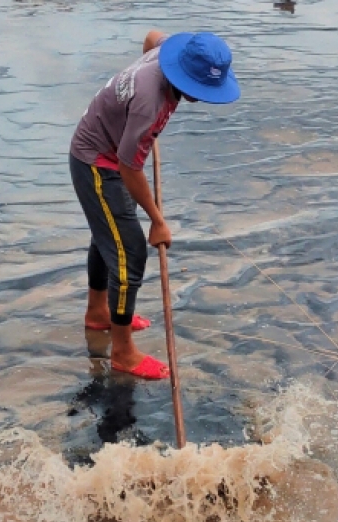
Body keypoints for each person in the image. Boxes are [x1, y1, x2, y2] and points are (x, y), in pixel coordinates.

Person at [69, 31, 240, 380]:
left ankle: (99, 313)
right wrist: (158, 220)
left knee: (110, 235)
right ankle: (122, 351)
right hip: (98, 162)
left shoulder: (167, 52)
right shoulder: (150, 103)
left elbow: (151, 38)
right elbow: (130, 167)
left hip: (109, 152)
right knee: (129, 252)